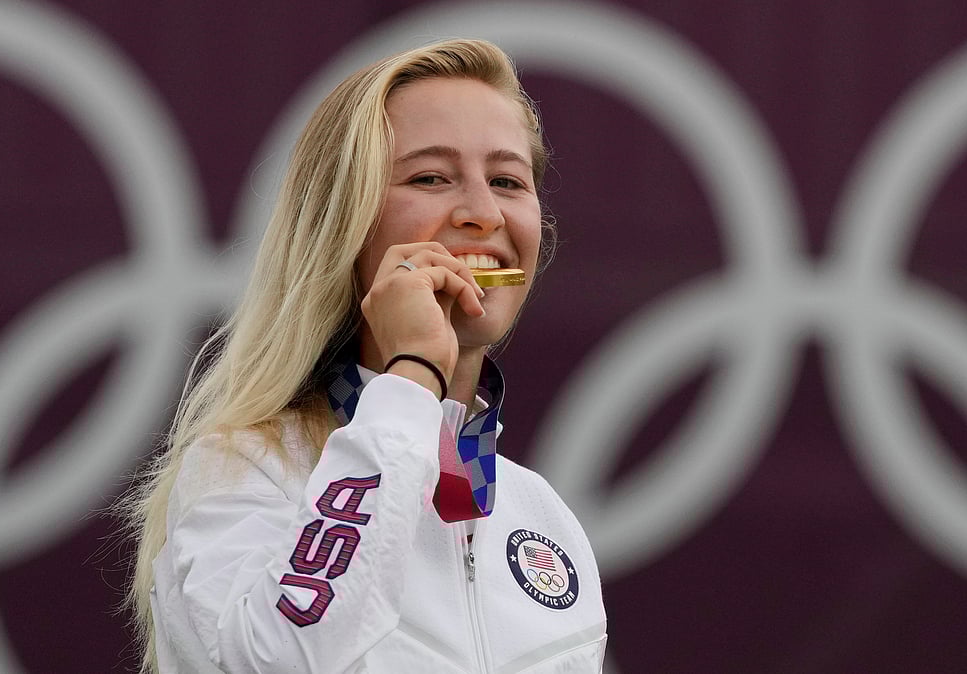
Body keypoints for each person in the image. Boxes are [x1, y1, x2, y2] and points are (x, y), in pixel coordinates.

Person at [123, 38, 607, 673]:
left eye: (508, 180)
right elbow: (283, 661)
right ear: (343, 225)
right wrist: (412, 380)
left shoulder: (544, 518)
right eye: (430, 177)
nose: (483, 213)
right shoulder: (246, 470)